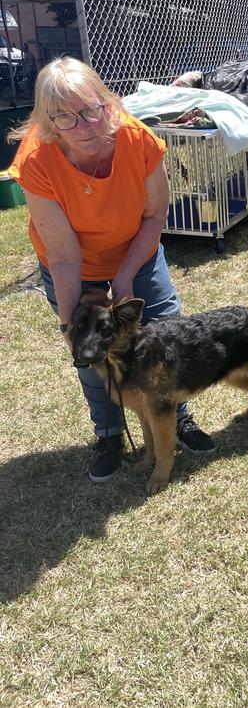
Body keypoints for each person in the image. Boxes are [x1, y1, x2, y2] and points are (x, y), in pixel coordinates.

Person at [8, 57, 215, 482]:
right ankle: (108, 433)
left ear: (107, 102)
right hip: (71, 262)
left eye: (91, 109)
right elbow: (64, 257)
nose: (84, 125)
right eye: (65, 117)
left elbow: (155, 216)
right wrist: (71, 322)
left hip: (135, 249)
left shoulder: (139, 140)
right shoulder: (36, 161)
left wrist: (123, 277)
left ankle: (178, 416)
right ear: (48, 122)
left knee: (165, 329)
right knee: (90, 350)